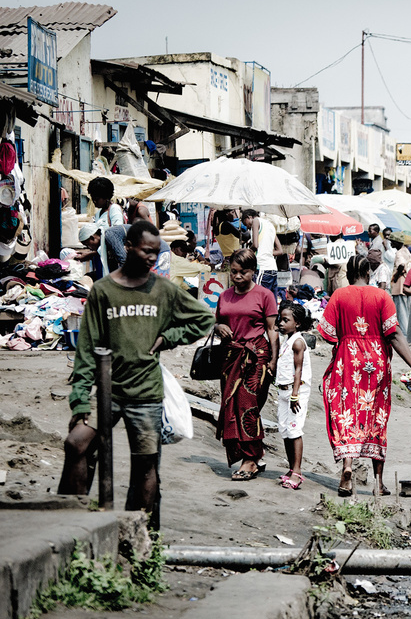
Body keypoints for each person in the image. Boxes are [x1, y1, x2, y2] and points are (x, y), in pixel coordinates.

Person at [62, 221, 214, 529]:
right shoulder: (104, 291)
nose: (151, 258)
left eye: (156, 253)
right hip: (108, 391)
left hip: (146, 395)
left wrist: (168, 338)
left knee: (145, 467)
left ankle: (139, 539)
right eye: (146, 251)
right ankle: (69, 525)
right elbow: (87, 349)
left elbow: (203, 318)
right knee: (76, 444)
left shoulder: (162, 290)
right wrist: (79, 401)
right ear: (128, 247)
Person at [318, 255, 411, 497]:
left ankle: (347, 469)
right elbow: (394, 335)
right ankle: (378, 483)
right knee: (376, 416)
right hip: (376, 362)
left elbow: (326, 332)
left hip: (348, 360)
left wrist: (347, 335)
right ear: (368, 272)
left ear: (349, 273)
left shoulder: (339, 295)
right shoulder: (382, 296)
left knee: (347, 411)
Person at [214, 249, 279, 481]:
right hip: (231, 357)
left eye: (244, 272)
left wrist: (273, 360)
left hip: (257, 356)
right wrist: (218, 328)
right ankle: (252, 454)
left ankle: (250, 460)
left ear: (254, 271)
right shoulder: (224, 296)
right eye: (234, 272)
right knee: (230, 406)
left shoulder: (265, 295)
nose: (238, 276)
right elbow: (219, 322)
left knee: (247, 406)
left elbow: (272, 330)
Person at [274, 301, 313, 491]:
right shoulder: (287, 341)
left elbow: (298, 370)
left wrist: (295, 394)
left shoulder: (298, 342)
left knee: (295, 430)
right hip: (283, 390)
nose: (281, 323)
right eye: (280, 319)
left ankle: (297, 471)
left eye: (286, 320)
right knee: (285, 430)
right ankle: (291, 468)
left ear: (297, 323)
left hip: (295, 391)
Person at [241, 210, 282, 302]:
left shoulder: (256, 221)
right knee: (271, 302)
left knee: (259, 300)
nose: (247, 227)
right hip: (273, 268)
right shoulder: (270, 225)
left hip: (262, 268)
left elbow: (255, 245)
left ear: (249, 217)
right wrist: (265, 251)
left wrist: (244, 253)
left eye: (245, 223)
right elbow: (280, 251)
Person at [88, 176, 123, 275]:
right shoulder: (98, 213)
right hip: (101, 256)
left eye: (97, 199)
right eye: (92, 198)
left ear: (106, 197)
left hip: (112, 258)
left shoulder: (114, 209)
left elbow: (117, 232)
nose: (94, 201)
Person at [390, 237, 411, 337]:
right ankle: (408, 333)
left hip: (400, 283)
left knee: (402, 312)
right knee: (407, 310)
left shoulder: (399, 253)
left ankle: (405, 335)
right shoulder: (406, 250)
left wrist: (396, 276)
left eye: (392, 242)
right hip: (407, 283)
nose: (391, 243)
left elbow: (401, 265)